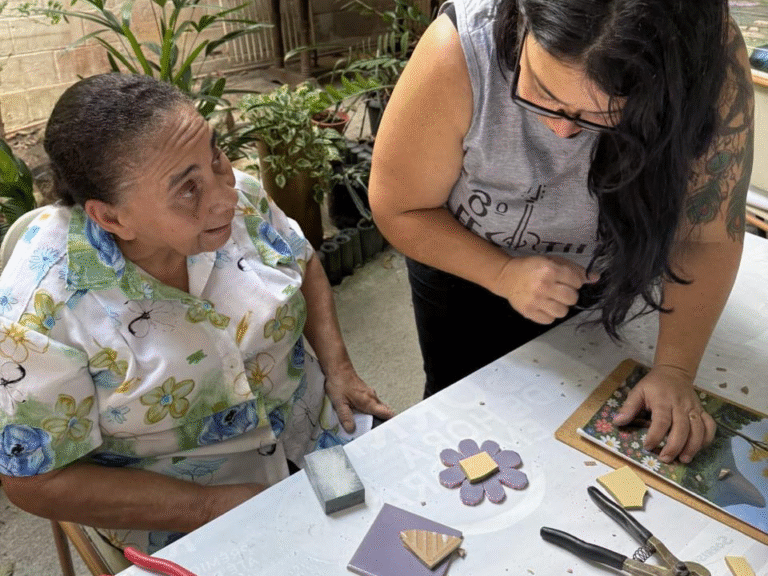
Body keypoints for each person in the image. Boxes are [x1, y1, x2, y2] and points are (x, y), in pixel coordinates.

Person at [0, 73, 393, 553]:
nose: (228, 195)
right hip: (180, 504)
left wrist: (340, 368)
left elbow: (305, 262)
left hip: (313, 428)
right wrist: (207, 507)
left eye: (216, 156)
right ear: (112, 218)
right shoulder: (39, 313)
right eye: (188, 189)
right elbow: (33, 480)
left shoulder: (240, 196)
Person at [369, 0, 754, 464]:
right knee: (464, 428)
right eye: (542, 92)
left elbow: (706, 236)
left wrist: (674, 368)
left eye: (598, 116)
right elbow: (400, 206)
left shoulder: (708, 59)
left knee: (576, 432)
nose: (561, 129)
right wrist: (501, 273)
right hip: (464, 267)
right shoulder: (457, 51)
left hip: (608, 279)